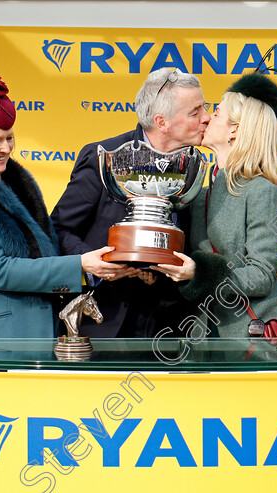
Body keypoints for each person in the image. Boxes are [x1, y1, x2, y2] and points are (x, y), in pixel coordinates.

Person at [0, 45, 125, 338]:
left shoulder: (17, 186)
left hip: (39, 336)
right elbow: (0, 271)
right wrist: (81, 264)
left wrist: (101, 264)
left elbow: (47, 256)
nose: (6, 149)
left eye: (9, 138)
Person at [50, 68, 210, 338]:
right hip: (103, 321)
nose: (206, 118)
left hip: (170, 328)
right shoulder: (106, 158)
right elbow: (58, 229)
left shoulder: (194, 165)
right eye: (195, 113)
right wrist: (95, 264)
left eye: (204, 108)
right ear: (162, 122)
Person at [154, 73, 277, 337]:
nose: (206, 118)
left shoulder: (264, 192)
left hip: (251, 335)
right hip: (206, 332)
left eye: (216, 113)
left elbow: (261, 275)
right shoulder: (200, 191)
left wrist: (200, 272)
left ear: (234, 130)